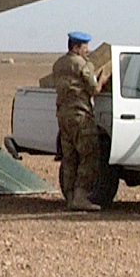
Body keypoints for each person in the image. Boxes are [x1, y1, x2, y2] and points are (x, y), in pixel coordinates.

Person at [39, 31, 113, 210]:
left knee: (69, 157)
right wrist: (102, 80)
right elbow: (93, 89)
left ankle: (70, 197)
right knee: (89, 155)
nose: (87, 51)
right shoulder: (82, 65)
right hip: (80, 115)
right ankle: (81, 196)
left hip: (63, 116)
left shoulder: (59, 64)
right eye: (84, 47)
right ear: (76, 47)